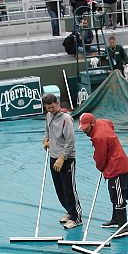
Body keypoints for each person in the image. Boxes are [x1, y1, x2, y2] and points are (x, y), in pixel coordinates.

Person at [78, 113, 128, 235]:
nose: (84, 131)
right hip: (113, 165)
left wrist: (101, 167)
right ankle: (116, 219)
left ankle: (123, 227)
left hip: (116, 167)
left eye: (86, 128)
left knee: (119, 197)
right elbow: (110, 123)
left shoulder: (98, 137)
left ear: (92, 123)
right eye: (83, 128)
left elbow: (100, 157)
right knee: (114, 194)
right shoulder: (102, 122)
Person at [43, 93, 82, 229]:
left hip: (66, 159)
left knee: (69, 188)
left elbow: (70, 141)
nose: (50, 110)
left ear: (57, 104)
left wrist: (62, 158)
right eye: (48, 108)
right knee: (59, 188)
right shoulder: (48, 116)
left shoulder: (66, 119)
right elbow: (48, 131)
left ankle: (76, 217)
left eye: (52, 107)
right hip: (53, 156)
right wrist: (46, 139)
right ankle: (69, 211)